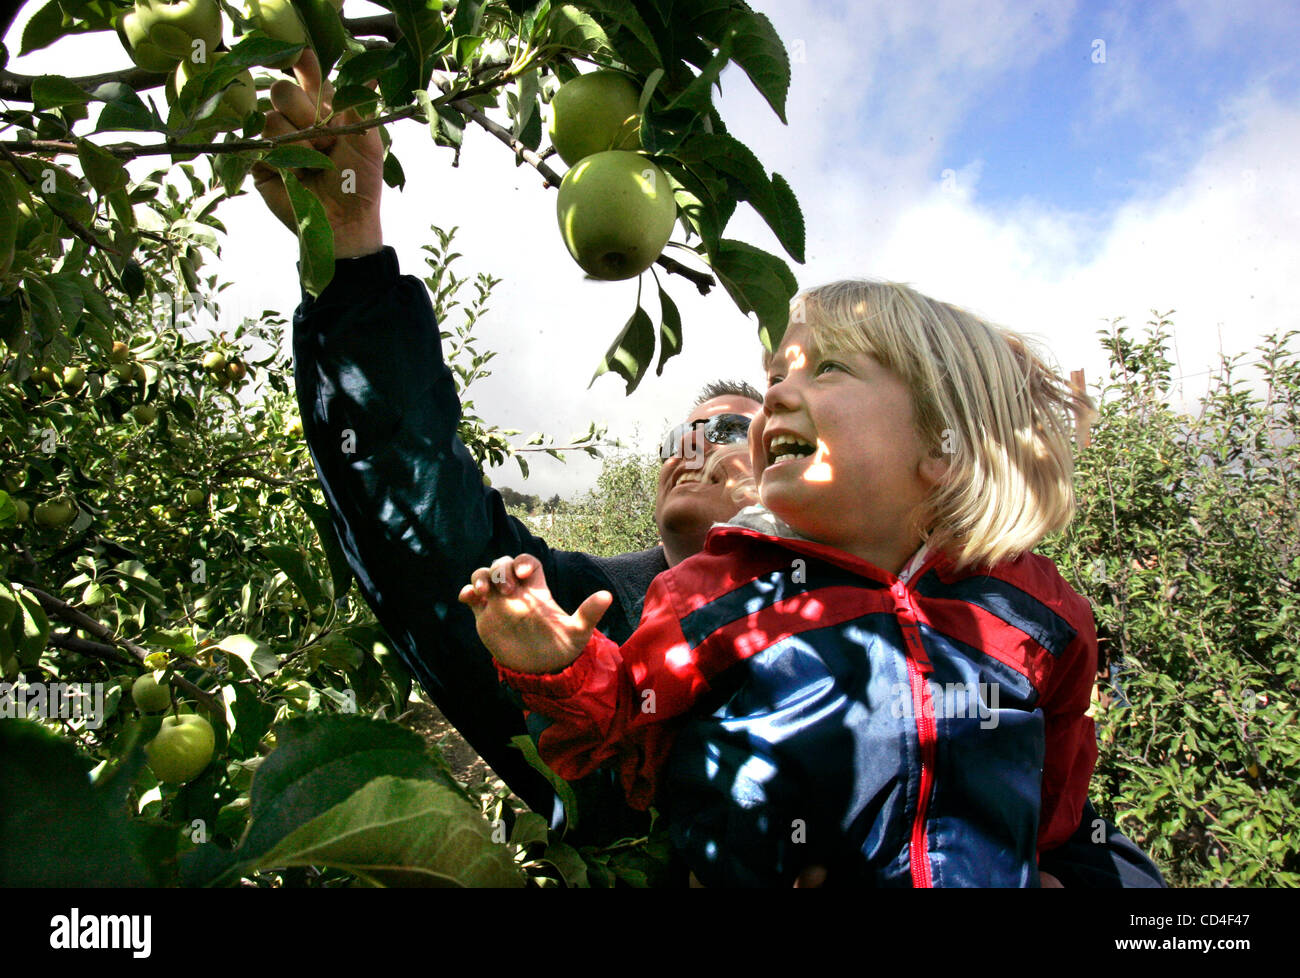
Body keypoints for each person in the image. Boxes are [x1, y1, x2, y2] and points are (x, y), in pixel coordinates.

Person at [254, 51, 1163, 885]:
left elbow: (1067, 823)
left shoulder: (1001, 605)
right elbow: (418, 520)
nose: (715, 444)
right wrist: (351, 255)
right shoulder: (619, 612)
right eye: (677, 438)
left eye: (728, 429)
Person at [462, 279, 1116, 886]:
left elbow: (1059, 752)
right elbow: (632, 721)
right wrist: (562, 669)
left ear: (943, 444)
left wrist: (1048, 862)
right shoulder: (717, 591)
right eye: (775, 375)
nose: (771, 396)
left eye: (827, 368)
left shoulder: (1035, 607)